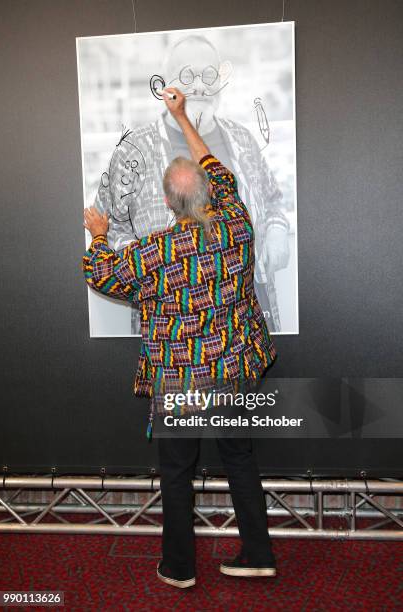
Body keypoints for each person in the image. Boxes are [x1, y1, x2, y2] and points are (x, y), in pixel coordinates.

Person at [82, 87, 277, 588]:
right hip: (233, 371)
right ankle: (258, 553)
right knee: (240, 458)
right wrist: (183, 116)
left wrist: (100, 233)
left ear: (168, 202)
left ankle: (180, 568)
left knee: (176, 473)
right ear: (212, 192)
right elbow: (214, 164)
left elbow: (101, 273)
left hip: (180, 381)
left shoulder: (158, 251)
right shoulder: (236, 223)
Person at [94, 34, 290, 333]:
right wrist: (150, 265)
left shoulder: (242, 140)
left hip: (243, 321)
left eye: (209, 74)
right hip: (170, 324)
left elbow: (274, 199)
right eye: (187, 74)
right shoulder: (133, 151)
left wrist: (276, 231)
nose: (199, 84)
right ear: (165, 86)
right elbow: (111, 224)